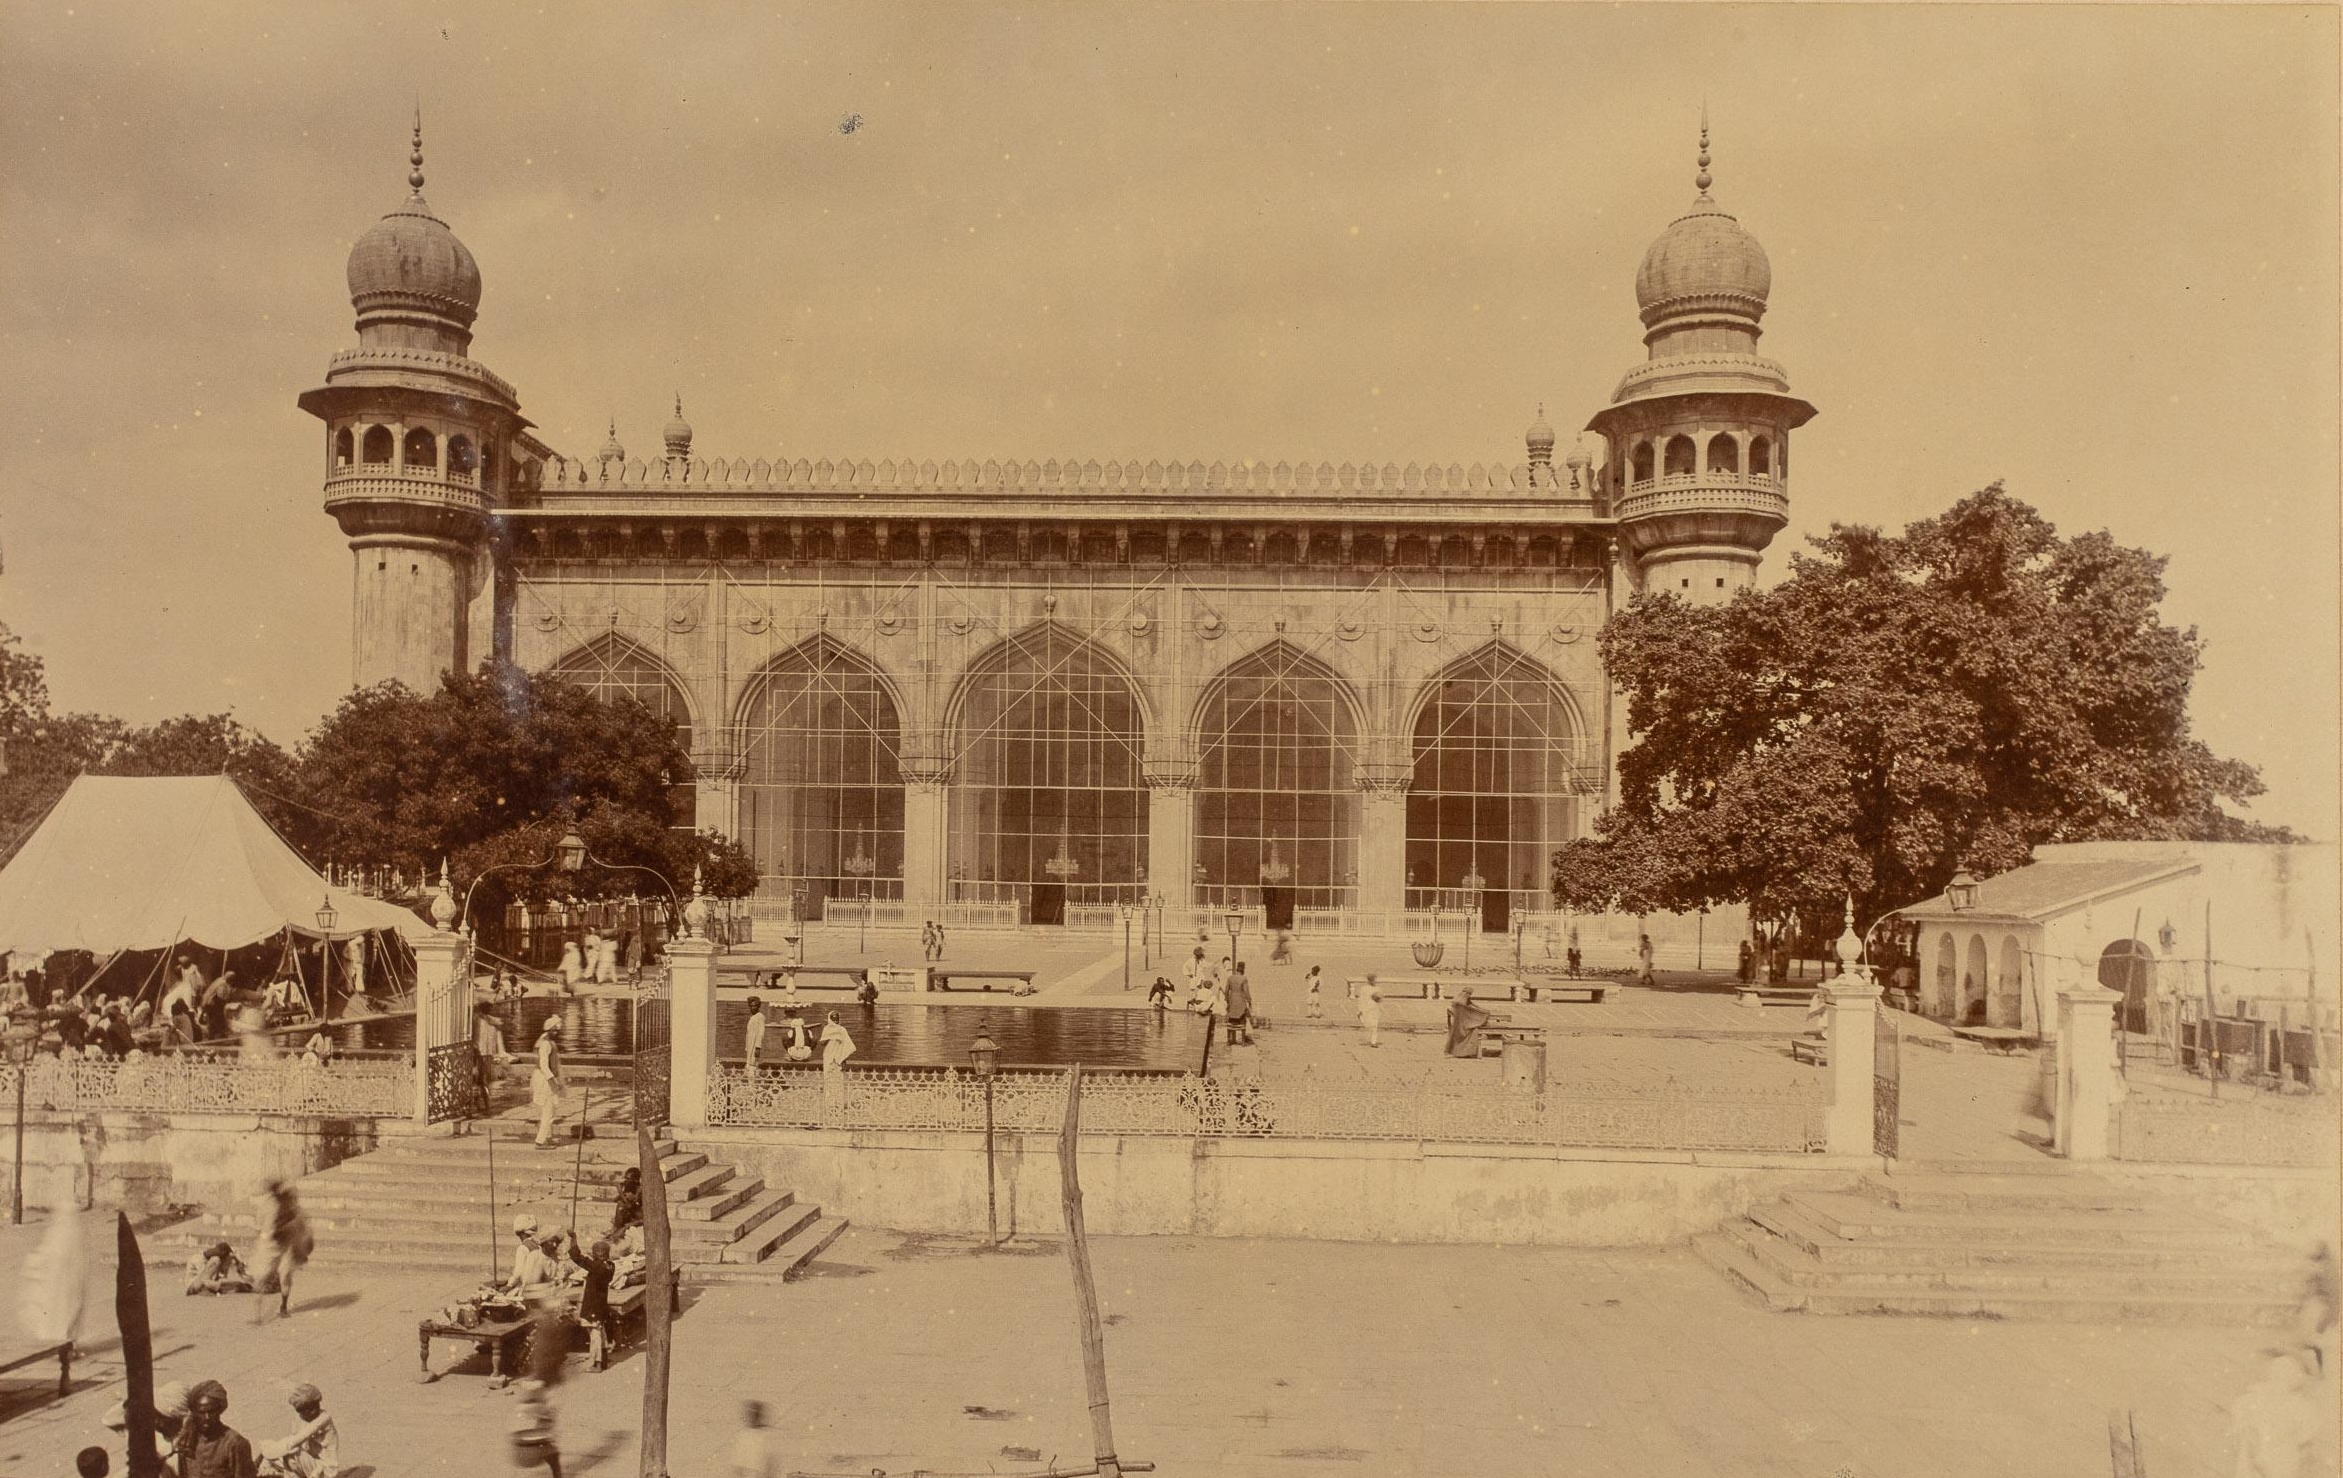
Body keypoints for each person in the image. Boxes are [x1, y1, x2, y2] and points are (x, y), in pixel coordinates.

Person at [253, 1178, 313, 1320]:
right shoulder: (266, 1206)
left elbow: (302, 1229)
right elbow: (258, 1229)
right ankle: (258, 1315)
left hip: (287, 1246)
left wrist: (301, 1247)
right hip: (272, 1245)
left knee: (285, 1276)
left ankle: (283, 1307)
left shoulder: (292, 1208)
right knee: (263, 1277)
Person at [176, 1380, 258, 1478]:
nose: (207, 1417)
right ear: (194, 1413)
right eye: (202, 1412)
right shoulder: (186, 1441)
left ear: (219, 1411)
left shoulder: (234, 1443)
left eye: (211, 1412)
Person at [257, 1382, 339, 1478]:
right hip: (309, 1463)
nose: (311, 1411)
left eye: (313, 1407)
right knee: (282, 1452)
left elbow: (295, 1441)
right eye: (301, 1411)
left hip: (324, 1469)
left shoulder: (324, 1419)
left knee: (290, 1450)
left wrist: (264, 1455)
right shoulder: (301, 1419)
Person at [564, 1233, 617, 1370]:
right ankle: (603, 1360)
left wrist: (574, 1239)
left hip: (593, 1306)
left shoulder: (597, 1268)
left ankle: (596, 1363)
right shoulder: (610, 1266)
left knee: (594, 1334)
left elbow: (576, 1257)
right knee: (600, 1332)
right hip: (600, 1305)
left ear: (596, 1255)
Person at [508, 1377, 562, 1477]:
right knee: (551, 1454)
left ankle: (557, 1473)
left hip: (529, 1443)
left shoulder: (524, 1406)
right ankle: (557, 1474)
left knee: (550, 1452)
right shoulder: (541, 1404)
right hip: (537, 1440)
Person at [532, 1018, 565, 1148]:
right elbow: (544, 1066)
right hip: (545, 1081)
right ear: (549, 1030)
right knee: (548, 1111)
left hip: (548, 1079)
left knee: (551, 1110)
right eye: (554, 1030)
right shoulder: (545, 1044)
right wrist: (553, 1080)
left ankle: (546, 1137)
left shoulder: (549, 1042)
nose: (557, 1033)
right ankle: (540, 1141)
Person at [186, 1240, 254, 1296]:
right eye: (223, 1255)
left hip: (208, 1283)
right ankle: (209, 1291)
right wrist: (221, 1286)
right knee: (216, 1260)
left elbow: (232, 1255)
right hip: (193, 1287)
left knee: (238, 1285)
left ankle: (243, 1286)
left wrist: (239, 1263)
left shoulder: (213, 1258)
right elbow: (205, 1282)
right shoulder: (198, 1259)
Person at [731, 1399, 778, 1477]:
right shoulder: (742, 1435)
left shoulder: (766, 1436)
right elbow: (738, 1467)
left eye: (755, 1415)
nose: (752, 1418)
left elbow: (771, 1465)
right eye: (750, 1415)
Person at [1445, 986, 1491, 1058]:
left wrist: (1484, 1012)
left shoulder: (1461, 1002)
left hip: (1461, 1026)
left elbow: (1475, 1008)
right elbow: (1470, 1013)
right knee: (1475, 1031)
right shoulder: (1461, 1004)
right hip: (1463, 1027)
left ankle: (1465, 1052)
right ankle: (1465, 1053)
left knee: (1474, 1029)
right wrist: (1484, 1014)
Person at [1224, 963, 1253, 1046]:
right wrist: (1249, 1001)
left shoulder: (1230, 978)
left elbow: (1226, 991)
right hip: (1240, 1000)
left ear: (1236, 969)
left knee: (1231, 1019)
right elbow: (1246, 991)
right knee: (1242, 1020)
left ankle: (1229, 1040)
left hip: (1232, 999)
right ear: (1243, 969)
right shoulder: (1244, 978)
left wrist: (1227, 1001)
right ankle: (1243, 1042)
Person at [1357, 975, 1382, 1048]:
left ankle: (1373, 1042)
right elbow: (1361, 999)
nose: (1374, 981)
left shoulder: (1378, 989)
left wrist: (1377, 998)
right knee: (1367, 1024)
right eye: (1372, 980)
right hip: (1366, 1009)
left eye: (1374, 980)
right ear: (1369, 980)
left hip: (1374, 1009)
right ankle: (1368, 1038)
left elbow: (1380, 999)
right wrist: (1360, 1010)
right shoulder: (1364, 989)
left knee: (1375, 1025)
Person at [743, 997, 767, 1071]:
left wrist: (758, 1047)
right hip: (750, 1043)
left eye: (755, 1006)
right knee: (749, 1063)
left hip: (755, 1044)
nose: (753, 1008)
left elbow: (761, 1033)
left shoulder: (760, 1017)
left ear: (758, 1006)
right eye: (751, 1006)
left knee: (753, 1064)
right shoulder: (752, 1017)